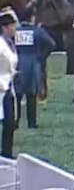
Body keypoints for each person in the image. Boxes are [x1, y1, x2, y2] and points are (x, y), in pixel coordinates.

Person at [14, 11, 55, 129]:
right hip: (33, 63)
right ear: (32, 18)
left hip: (18, 63)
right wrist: (42, 56)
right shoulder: (38, 31)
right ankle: (31, 122)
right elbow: (51, 43)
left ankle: (15, 121)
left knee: (17, 94)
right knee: (31, 94)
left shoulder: (15, 32)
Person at [0, 8, 18, 158]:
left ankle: (7, 153)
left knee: (10, 121)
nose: (15, 29)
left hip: (8, 87)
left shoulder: (10, 44)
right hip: (1, 86)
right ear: (5, 28)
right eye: (12, 26)